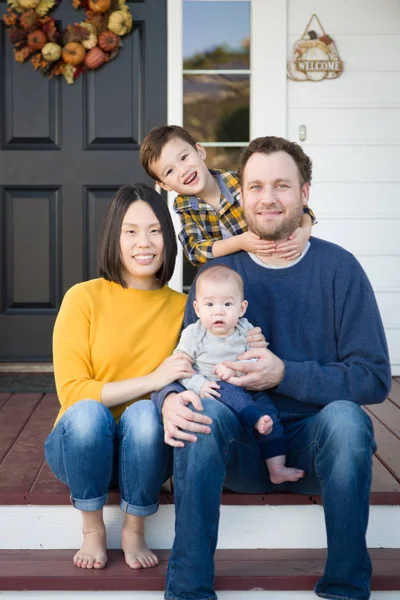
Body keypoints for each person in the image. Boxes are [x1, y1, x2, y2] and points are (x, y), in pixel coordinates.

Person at [153, 136, 392, 600]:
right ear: (240, 196)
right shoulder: (216, 278)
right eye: (256, 186)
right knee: (200, 413)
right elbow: (183, 361)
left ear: (304, 194)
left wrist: (285, 375)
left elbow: (374, 377)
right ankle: (188, 589)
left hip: (311, 451)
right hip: (237, 448)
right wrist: (167, 401)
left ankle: (346, 586)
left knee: (347, 420)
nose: (267, 198)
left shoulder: (339, 269)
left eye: (281, 185)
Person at [44, 184, 193, 571]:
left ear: (167, 237)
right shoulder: (83, 298)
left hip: (147, 451)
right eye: (130, 231)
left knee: (145, 415)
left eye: (155, 230)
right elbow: (74, 392)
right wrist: (152, 379)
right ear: (114, 237)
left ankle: (134, 529)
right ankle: (93, 530)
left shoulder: (184, 308)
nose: (144, 242)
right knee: (90, 413)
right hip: (79, 447)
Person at [175, 263, 304, 484]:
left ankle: (277, 467)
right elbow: (181, 369)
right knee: (233, 395)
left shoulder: (246, 329)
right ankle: (255, 419)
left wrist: (238, 366)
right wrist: (199, 385)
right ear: (197, 309)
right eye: (209, 304)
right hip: (216, 389)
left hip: (249, 387)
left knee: (270, 415)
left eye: (227, 304)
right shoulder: (194, 334)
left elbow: (257, 359)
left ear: (242, 308)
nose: (218, 311)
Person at [140, 125, 316, 266]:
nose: (183, 170)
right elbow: (194, 251)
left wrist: (305, 231)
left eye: (184, 157)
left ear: (200, 151)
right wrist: (239, 242)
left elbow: (297, 207)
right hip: (231, 280)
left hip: (273, 261)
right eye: (170, 171)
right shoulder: (185, 206)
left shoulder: (238, 181)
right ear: (164, 185)